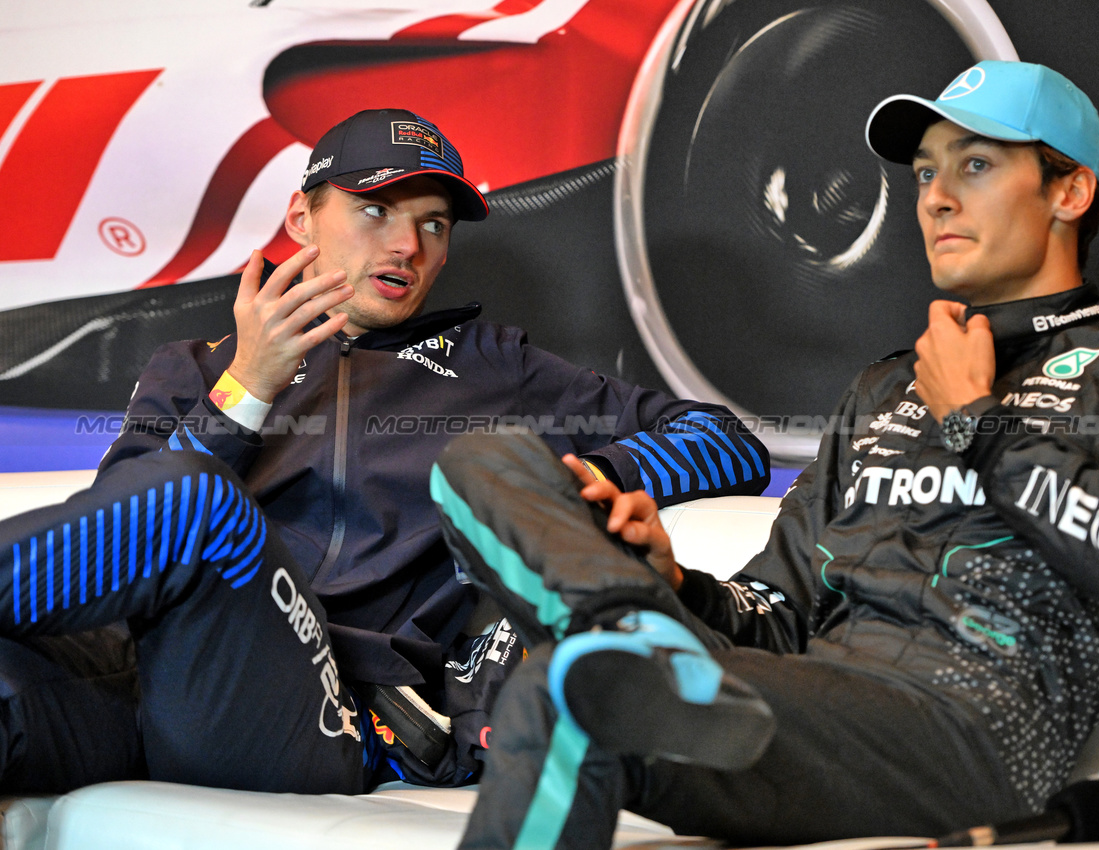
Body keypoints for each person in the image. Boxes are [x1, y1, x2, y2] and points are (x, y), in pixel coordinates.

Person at [429, 61, 1099, 848]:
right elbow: (777, 615)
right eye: (926, 173)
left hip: (969, 734)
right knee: (484, 458)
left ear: (1068, 190)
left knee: (563, 683)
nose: (934, 198)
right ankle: (623, 620)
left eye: (973, 164)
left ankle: (623, 651)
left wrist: (974, 418)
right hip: (798, 708)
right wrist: (673, 581)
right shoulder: (882, 388)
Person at [0, 109, 770, 794]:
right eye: (374, 210)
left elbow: (723, 440)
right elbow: (118, 535)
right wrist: (247, 391)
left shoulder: (498, 368)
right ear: (302, 216)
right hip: (130, 688)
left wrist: (576, 482)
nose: (407, 244)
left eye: (434, 224)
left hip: (321, 710)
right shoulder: (197, 367)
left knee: (203, 507)